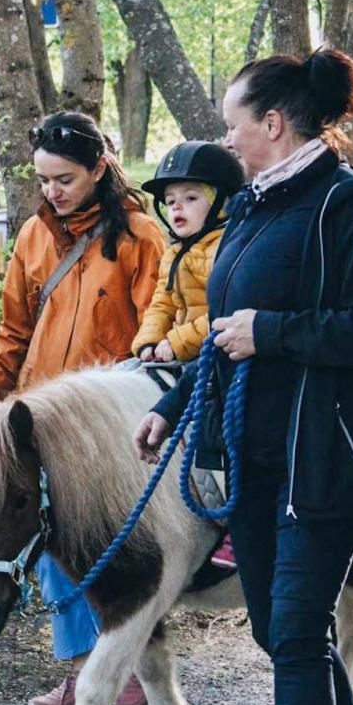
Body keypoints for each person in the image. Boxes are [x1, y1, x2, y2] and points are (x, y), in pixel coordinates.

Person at [133, 48, 353, 705]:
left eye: (232, 124)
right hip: (253, 456)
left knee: (293, 632)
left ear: (274, 122)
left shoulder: (352, 206)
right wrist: (173, 405)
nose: (225, 138)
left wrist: (276, 332)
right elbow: (227, 332)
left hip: (327, 460)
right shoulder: (256, 207)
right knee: (270, 627)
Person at [0, 110, 166, 705]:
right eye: (43, 180)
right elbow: (14, 328)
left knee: (103, 546)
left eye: (65, 179)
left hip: (105, 420)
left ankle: (115, 670)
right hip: (37, 416)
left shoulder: (140, 236)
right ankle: (89, 672)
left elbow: (153, 333)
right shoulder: (34, 236)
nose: (52, 191)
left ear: (99, 169)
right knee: (50, 542)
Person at [132, 140, 243, 571]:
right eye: (171, 200)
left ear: (222, 202)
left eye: (191, 198)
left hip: (216, 353)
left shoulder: (224, 247)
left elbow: (222, 312)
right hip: (177, 354)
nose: (178, 208)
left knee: (218, 428)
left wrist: (175, 343)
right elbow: (160, 302)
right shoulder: (175, 250)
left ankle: (232, 522)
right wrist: (147, 342)